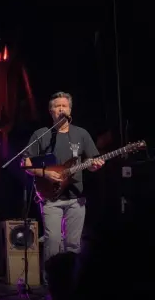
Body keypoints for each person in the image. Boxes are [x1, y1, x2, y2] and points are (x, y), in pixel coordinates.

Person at [23, 92, 104, 282]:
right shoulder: (41, 134)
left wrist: (95, 165)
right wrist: (45, 173)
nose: (61, 109)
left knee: (73, 245)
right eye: (57, 106)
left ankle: (72, 285)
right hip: (51, 198)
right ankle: (51, 284)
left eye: (65, 106)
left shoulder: (81, 134)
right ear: (51, 111)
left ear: (70, 110)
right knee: (52, 242)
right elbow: (25, 163)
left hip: (76, 198)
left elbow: (92, 163)